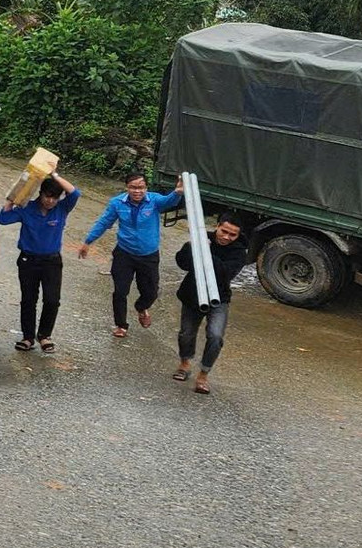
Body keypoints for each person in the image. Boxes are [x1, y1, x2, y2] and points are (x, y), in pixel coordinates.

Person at [76, 169, 183, 338]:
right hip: (124, 254)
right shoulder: (117, 203)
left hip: (148, 255)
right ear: (127, 187)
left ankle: (141, 308)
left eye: (141, 187)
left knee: (151, 292)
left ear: (146, 188)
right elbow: (104, 222)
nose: (137, 191)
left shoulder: (154, 201)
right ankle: (121, 325)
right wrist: (88, 242)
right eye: (133, 187)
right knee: (120, 291)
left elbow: (169, 202)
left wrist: (177, 193)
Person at [0, 172, 80, 351]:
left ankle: (44, 336)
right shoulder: (27, 208)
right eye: (47, 196)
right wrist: (13, 196)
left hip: (52, 261)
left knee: (52, 300)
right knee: (28, 299)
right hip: (28, 261)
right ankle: (27, 338)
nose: (50, 201)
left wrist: (54, 175)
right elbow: (3, 219)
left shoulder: (62, 208)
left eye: (54, 198)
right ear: (40, 193)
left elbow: (75, 193)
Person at [173, 213, 250, 394]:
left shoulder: (238, 252)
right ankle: (184, 364)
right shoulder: (202, 238)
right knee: (186, 333)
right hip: (192, 295)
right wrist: (191, 247)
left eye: (232, 235)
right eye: (224, 231)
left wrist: (206, 252)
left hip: (218, 298)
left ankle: (203, 375)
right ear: (217, 226)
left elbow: (225, 274)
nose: (226, 237)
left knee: (215, 336)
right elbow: (182, 263)